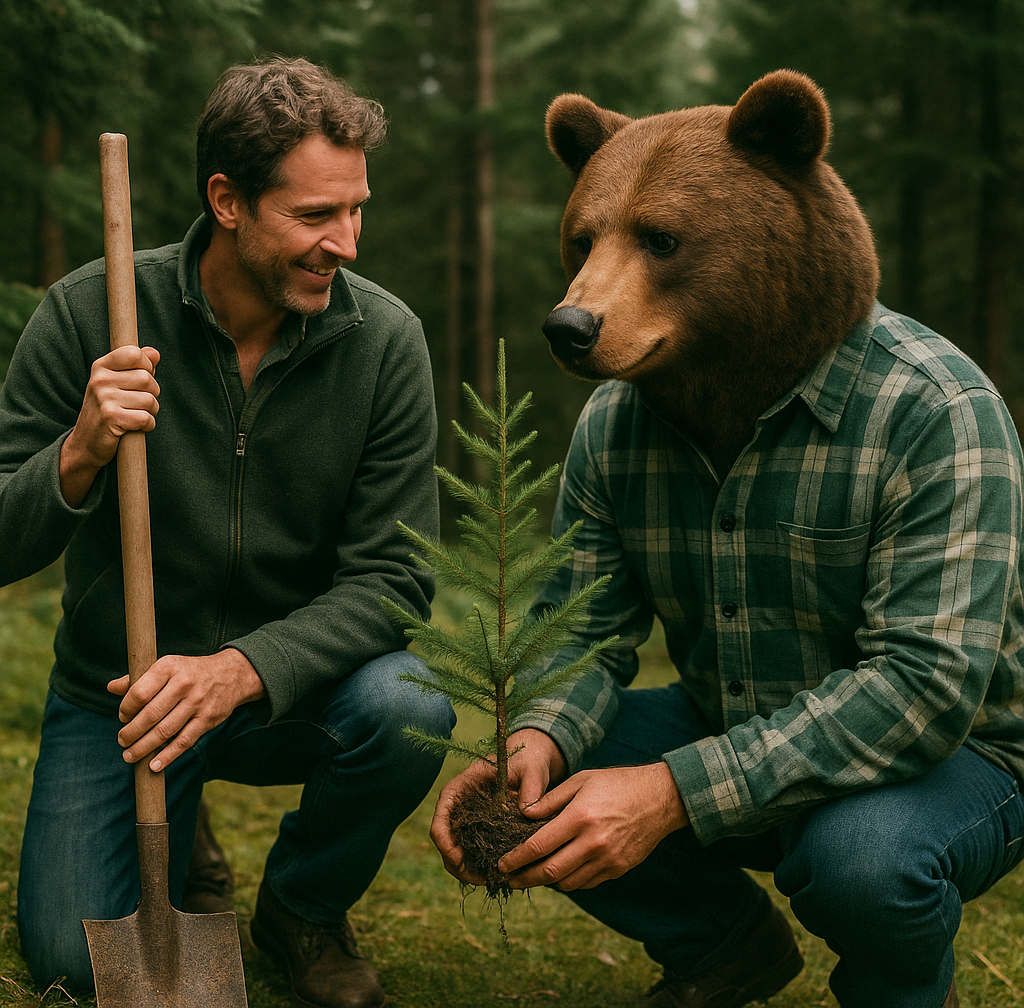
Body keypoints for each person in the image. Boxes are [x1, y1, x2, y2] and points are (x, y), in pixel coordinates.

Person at [0, 56, 453, 1008]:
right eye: (316, 216)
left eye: (356, 208)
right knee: (68, 961)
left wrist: (240, 670)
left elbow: (395, 582)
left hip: (287, 692)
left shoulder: (385, 345)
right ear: (228, 200)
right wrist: (78, 452)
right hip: (121, 698)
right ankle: (179, 830)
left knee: (410, 710)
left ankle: (301, 910)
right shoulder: (91, 309)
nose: (350, 242)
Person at [431, 306, 1024, 1008]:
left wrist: (670, 793)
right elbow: (583, 631)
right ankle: (726, 948)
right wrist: (539, 736)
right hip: (733, 714)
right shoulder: (614, 419)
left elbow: (924, 686)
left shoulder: (938, 406)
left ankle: (901, 990)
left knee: (862, 862)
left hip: (957, 752)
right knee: (541, 786)